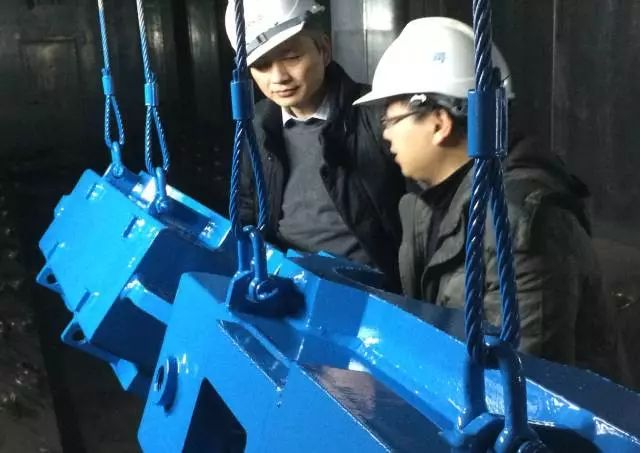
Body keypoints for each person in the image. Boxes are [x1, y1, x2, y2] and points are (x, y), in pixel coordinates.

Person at [354, 17, 630, 383]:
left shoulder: (520, 221)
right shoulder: (426, 205)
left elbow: (524, 378)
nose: (386, 135)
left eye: (391, 120)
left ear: (439, 122)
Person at [224, 0, 406, 290]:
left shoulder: (378, 116)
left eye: (292, 57)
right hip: (285, 281)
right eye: (261, 65)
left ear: (323, 50)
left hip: (370, 290)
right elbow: (247, 206)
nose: (278, 78)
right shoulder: (256, 124)